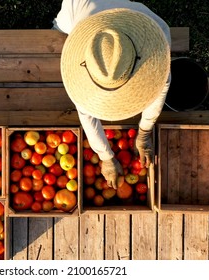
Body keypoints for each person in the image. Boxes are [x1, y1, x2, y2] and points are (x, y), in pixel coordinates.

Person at [53, 0, 171, 189]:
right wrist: (107, 157)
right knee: (63, 25)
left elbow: (161, 87)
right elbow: (87, 117)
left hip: (90, 9)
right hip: (81, 6)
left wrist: (144, 133)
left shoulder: (158, 36)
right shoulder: (158, 32)